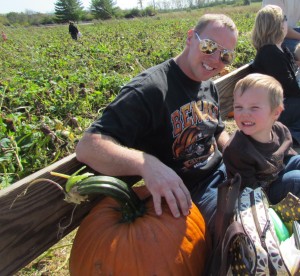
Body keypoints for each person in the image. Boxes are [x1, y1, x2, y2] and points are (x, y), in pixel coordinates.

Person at [76, 14, 238, 233]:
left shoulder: (207, 86)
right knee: (245, 224)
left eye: (226, 56)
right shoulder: (151, 89)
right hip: (190, 196)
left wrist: (236, 150)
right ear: (191, 38)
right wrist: (146, 164)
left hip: (225, 174)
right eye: (209, 46)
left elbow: (217, 131)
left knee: (293, 177)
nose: (216, 59)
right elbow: (88, 146)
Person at [223, 73, 300, 204]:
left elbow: (288, 158)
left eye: (254, 108)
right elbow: (249, 192)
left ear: (276, 112)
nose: (244, 114)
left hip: (277, 175)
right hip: (260, 195)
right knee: (296, 180)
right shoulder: (237, 149)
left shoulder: (280, 131)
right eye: (238, 107)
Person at [251, 4, 300, 145]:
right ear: (276, 25)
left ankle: (290, 134)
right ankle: (289, 137)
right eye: (284, 19)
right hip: (272, 107)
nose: (287, 22)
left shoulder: (281, 48)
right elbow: (290, 88)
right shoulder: (269, 53)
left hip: (284, 102)